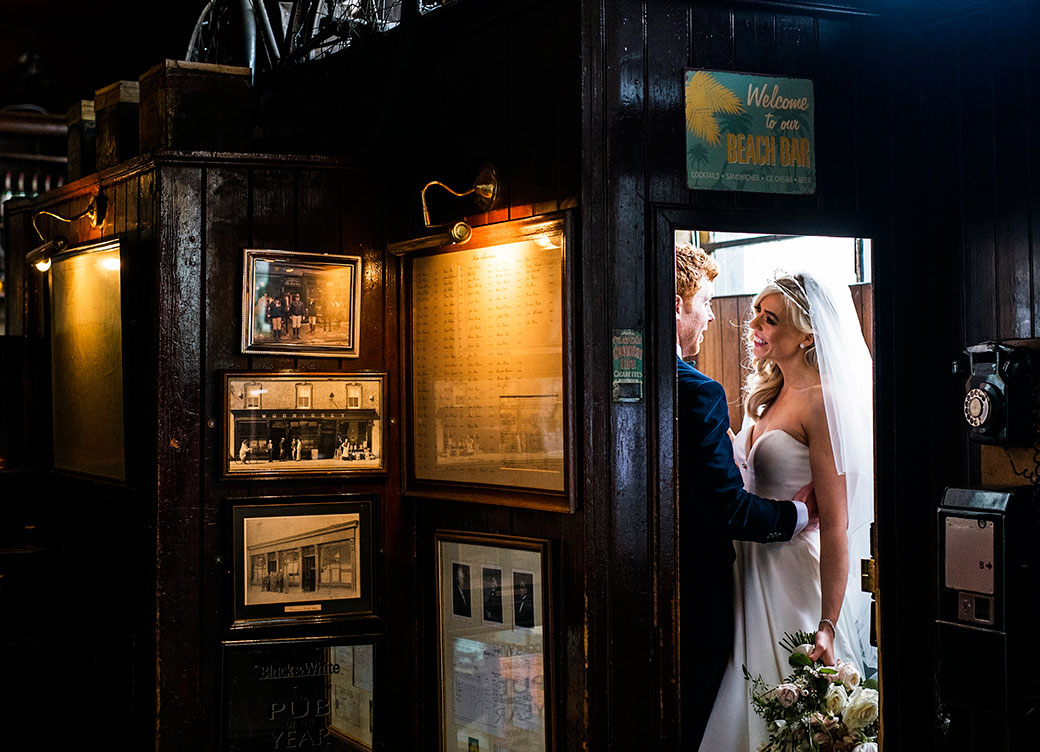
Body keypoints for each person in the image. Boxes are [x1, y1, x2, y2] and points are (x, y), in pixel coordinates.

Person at [699, 271, 876, 752]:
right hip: (746, 570)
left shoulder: (822, 403)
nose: (753, 324)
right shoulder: (765, 398)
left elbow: (836, 527)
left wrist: (828, 624)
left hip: (793, 575)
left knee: (795, 720)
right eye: (755, 312)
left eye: (769, 318)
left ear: (807, 334)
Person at [673, 243, 814, 750]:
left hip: (777, 571)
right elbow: (727, 505)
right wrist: (799, 512)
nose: (714, 316)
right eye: (705, 302)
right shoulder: (698, 391)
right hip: (722, 574)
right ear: (677, 305)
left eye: (768, 317)